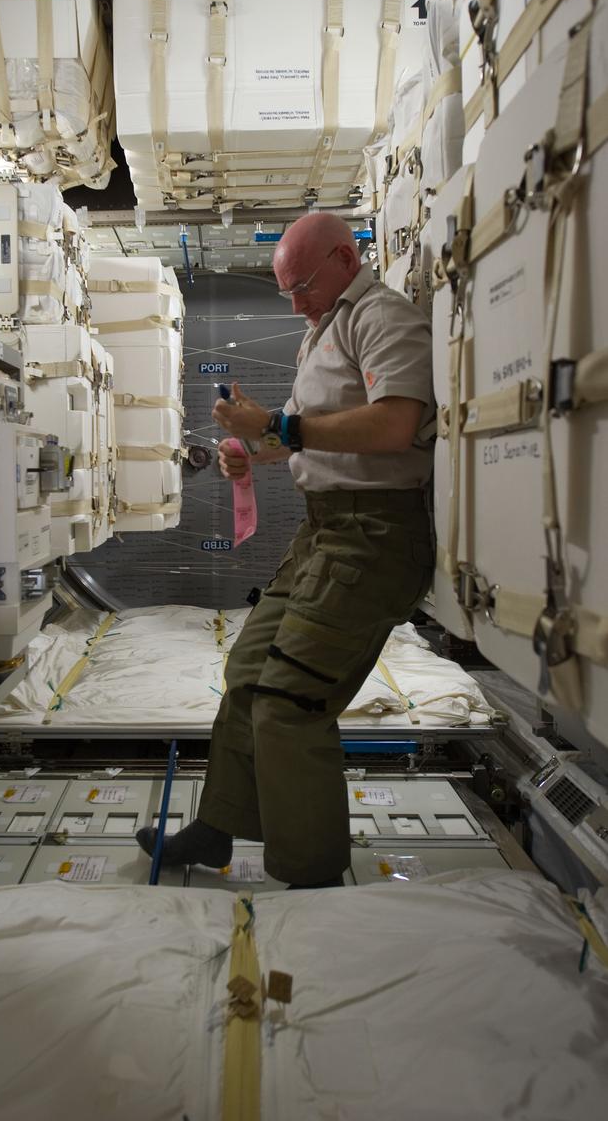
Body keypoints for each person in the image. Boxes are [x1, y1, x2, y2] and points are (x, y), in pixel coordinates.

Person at [136, 212, 436, 887]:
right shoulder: (321, 331)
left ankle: (312, 878)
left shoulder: (381, 318)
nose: (295, 304)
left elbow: (395, 425)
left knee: (288, 699)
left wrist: (275, 424)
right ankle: (218, 826)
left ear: (345, 258)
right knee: (247, 669)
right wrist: (251, 449)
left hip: (375, 535)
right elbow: (309, 434)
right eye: (287, 292)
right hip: (323, 531)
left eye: (301, 287)